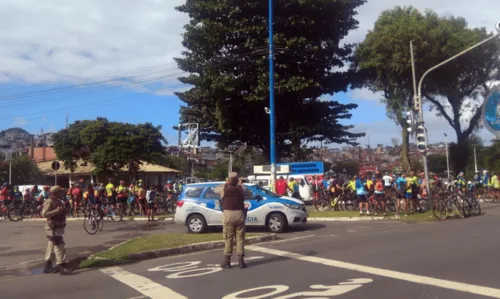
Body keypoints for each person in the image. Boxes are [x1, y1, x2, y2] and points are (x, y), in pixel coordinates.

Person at [42, 186, 72, 275]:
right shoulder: (49, 202)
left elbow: (61, 211)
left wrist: (64, 210)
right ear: (55, 193)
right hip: (52, 227)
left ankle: (47, 266)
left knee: (51, 245)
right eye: (60, 192)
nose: (62, 193)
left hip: (58, 227)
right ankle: (61, 266)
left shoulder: (58, 201)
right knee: (59, 245)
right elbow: (44, 214)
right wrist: (57, 211)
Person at [220, 172, 246, 269]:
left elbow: (216, 191)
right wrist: (240, 184)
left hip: (228, 215)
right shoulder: (240, 189)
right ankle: (241, 261)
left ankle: (227, 262)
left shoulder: (224, 189)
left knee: (228, 238)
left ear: (228, 180)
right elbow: (243, 197)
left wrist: (226, 183)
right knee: (240, 239)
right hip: (239, 214)